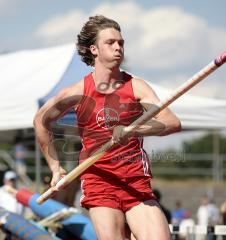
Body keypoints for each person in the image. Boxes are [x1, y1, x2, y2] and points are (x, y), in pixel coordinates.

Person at [33, 15, 181, 240]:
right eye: (110, 42)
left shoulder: (136, 86)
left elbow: (172, 122)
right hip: (99, 182)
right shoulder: (78, 91)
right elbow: (41, 121)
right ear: (94, 49)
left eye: (121, 43)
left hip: (135, 181)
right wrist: (55, 168)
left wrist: (133, 130)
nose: (118, 47)